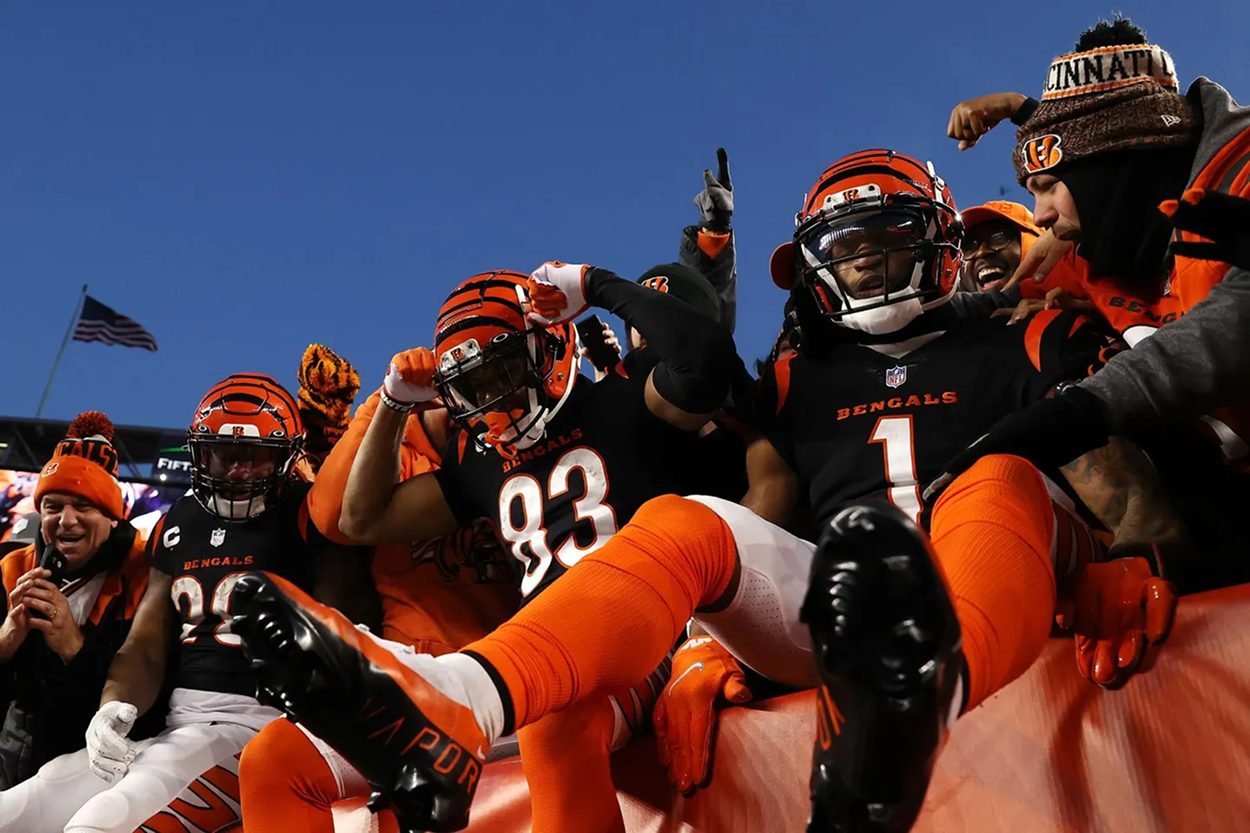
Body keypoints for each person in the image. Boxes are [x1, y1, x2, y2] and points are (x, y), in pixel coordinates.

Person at [228, 151, 1183, 833]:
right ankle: (457, 695)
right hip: (831, 616)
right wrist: (707, 646)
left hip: (988, 586)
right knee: (683, 522)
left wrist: (1138, 548)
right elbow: (765, 505)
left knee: (994, 474)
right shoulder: (801, 375)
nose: (860, 267)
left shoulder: (1033, 334)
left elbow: (1129, 478)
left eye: (882, 244)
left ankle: (910, 707)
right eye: (843, 252)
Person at [0, 373, 366, 833]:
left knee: (101, 826)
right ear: (199, 452)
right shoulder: (181, 519)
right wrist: (114, 705)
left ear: (286, 457)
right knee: (16, 811)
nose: (237, 471)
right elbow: (147, 644)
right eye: (223, 455)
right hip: (175, 727)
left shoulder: (312, 513)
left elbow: (345, 635)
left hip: (265, 729)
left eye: (254, 458)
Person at [937, 16, 1250, 487]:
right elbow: (976, 310)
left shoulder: (1238, 180)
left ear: (1106, 176)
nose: (1038, 216)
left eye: (1046, 188)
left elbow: (1232, 329)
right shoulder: (1093, 244)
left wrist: (1079, 412)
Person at [0, 412, 155, 789]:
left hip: (97, 762)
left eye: (83, 506)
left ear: (113, 516)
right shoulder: (11, 567)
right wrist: (8, 637)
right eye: (53, 506)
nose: (66, 521)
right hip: (13, 749)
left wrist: (73, 645)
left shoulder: (146, 574)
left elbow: (150, 699)